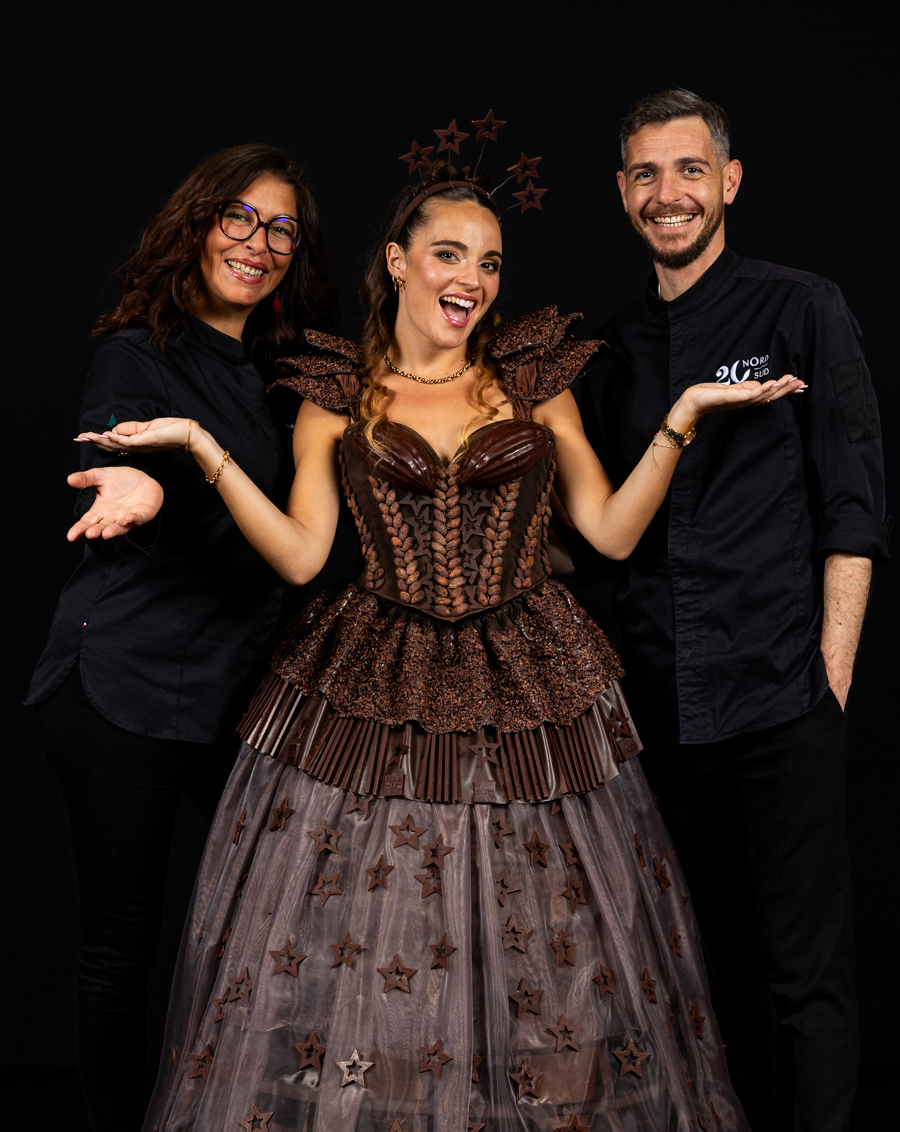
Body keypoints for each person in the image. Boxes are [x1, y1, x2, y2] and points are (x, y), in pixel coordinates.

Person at [84, 160, 802, 1132]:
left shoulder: (531, 379)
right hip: (376, 667)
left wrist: (680, 421)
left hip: (531, 672)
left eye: (490, 262)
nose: (473, 279)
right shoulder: (339, 392)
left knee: (545, 938)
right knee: (381, 926)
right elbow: (301, 556)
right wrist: (202, 453)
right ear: (398, 261)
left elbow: (609, 534)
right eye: (450, 255)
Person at [577, 89, 889, 1132]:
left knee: (804, 975)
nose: (668, 193)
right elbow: (600, 535)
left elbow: (853, 502)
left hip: (780, 693)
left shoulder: (803, 308)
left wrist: (830, 675)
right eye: (647, 174)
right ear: (623, 192)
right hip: (661, 710)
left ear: (730, 182)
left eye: (689, 170)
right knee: (701, 974)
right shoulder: (610, 350)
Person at [26, 143, 334, 1132]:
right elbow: (119, 444)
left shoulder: (285, 372)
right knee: (123, 944)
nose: (258, 242)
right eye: (238, 217)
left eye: (281, 228)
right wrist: (141, 486)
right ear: (196, 224)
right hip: (121, 688)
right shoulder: (138, 352)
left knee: (297, 911)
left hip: (233, 693)